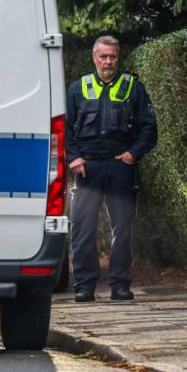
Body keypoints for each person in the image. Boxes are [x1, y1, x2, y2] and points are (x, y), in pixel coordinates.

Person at [65, 36, 157, 303]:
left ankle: (120, 285)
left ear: (119, 58)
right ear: (94, 58)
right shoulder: (78, 88)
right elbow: (66, 128)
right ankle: (84, 286)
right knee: (82, 229)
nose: (108, 62)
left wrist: (133, 154)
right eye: (103, 57)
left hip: (120, 167)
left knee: (123, 229)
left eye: (113, 57)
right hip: (87, 168)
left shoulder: (133, 87)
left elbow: (149, 128)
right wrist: (75, 158)